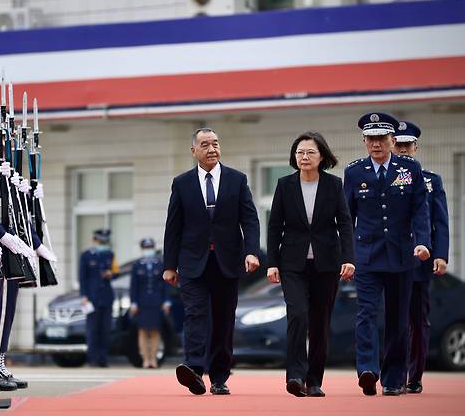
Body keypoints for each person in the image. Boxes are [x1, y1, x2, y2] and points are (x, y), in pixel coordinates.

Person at [163, 127, 260, 396]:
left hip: (227, 261)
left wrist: (251, 251)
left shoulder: (237, 180)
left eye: (215, 143)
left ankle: (219, 376)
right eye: (205, 144)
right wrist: (169, 265)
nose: (212, 149)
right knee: (195, 313)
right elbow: (174, 226)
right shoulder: (181, 183)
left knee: (223, 320)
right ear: (194, 150)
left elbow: (249, 219)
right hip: (193, 261)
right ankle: (193, 368)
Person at [344, 112, 431, 396]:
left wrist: (422, 242)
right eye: (370, 139)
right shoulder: (354, 171)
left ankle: (394, 378)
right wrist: (346, 254)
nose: (376, 144)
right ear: (364, 141)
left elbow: (420, 208)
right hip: (366, 254)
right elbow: (347, 217)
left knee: (397, 318)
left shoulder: (409, 168)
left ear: (392, 140)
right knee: (366, 313)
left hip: (402, 254)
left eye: (381, 138)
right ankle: (368, 369)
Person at [266, 131, 355, 397]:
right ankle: (295, 376)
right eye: (300, 153)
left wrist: (349, 258)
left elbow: (345, 223)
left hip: (326, 263)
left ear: (322, 156)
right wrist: (272, 263)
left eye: (310, 152)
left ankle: (314, 379)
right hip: (292, 263)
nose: (304, 157)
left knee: (320, 322)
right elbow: (274, 226)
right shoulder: (285, 185)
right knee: (298, 314)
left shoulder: (333, 185)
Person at [392, 121, 449, 394]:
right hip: (389, 259)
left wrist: (440, 254)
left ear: (415, 147)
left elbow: (440, 220)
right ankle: (394, 374)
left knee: (418, 319)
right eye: (398, 144)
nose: (403, 149)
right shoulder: (382, 176)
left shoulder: (430, 180)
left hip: (419, 261)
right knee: (394, 319)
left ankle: (414, 375)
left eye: (407, 145)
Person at [79, 229, 119, 367]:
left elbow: (116, 272)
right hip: (91, 298)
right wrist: (83, 296)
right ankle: (92, 359)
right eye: (101, 241)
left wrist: (111, 274)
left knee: (105, 329)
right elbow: (82, 278)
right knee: (92, 329)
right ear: (94, 241)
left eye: (105, 241)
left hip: (106, 297)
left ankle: (103, 359)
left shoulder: (110, 254)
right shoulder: (86, 255)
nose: (103, 244)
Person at [129, 238, 170, 368]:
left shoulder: (160, 263)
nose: (148, 250)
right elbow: (133, 286)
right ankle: (145, 359)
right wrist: (133, 303)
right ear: (142, 249)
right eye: (146, 248)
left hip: (156, 302)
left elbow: (165, 285)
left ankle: (153, 359)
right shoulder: (137, 265)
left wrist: (166, 301)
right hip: (142, 303)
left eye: (150, 247)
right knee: (142, 331)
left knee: (155, 331)